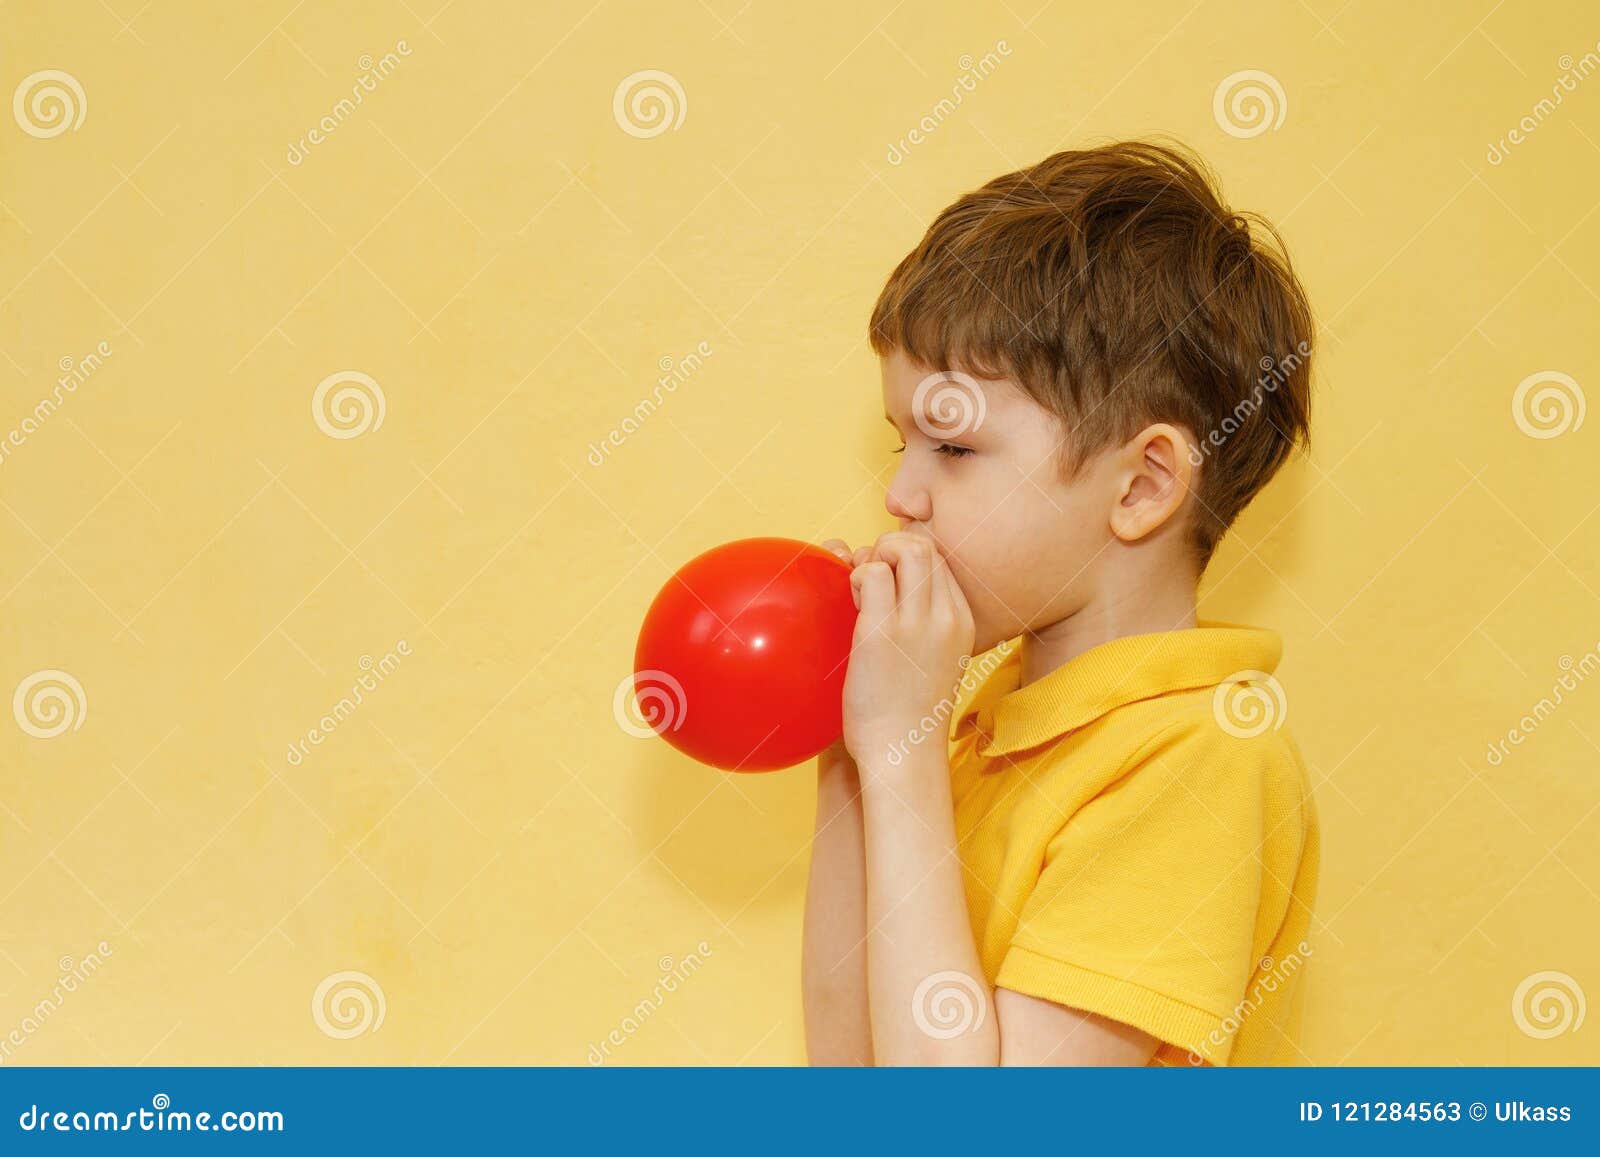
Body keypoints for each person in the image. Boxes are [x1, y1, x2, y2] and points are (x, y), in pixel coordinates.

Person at [803, 139, 1319, 1066]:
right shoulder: (978, 731)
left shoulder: (1202, 759)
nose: (901, 497)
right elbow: (849, 1072)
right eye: (900, 446)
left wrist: (901, 757)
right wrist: (852, 761)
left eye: (953, 449)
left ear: (1141, 486)